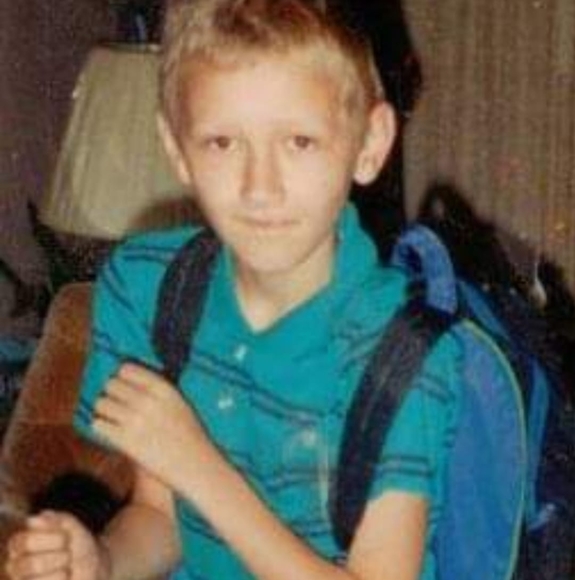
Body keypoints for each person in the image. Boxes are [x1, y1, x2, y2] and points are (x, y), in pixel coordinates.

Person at [5, 1, 462, 579]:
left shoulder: (399, 353)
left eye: (299, 141)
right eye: (222, 142)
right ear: (177, 150)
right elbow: (162, 516)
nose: (259, 188)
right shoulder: (154, 290)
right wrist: (102, 561)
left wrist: (199, 467)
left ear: (369, 144)